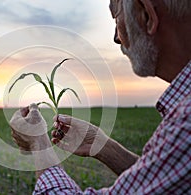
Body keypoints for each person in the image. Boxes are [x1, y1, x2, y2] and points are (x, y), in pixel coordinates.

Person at [10, 0, 191, 194]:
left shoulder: (186, 121)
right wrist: (101, 145)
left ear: (146, 15)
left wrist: (39, 143)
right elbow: (162, 182)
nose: (116, 38)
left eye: (116, 18)